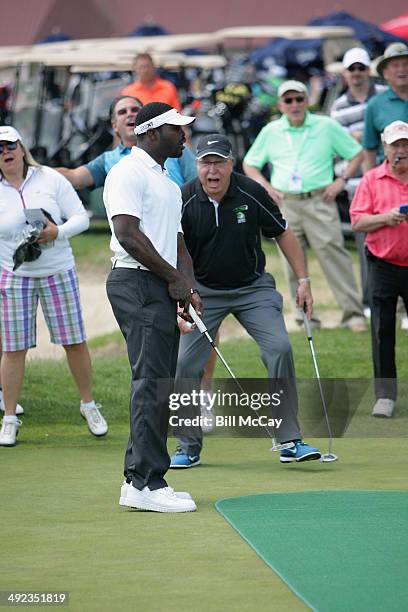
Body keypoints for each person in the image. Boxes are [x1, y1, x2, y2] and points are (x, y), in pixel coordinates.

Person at [170, 133, 321, 468]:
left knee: (279, 348)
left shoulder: (252, 193)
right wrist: (181, 298)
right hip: (202, 293)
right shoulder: (183, 198)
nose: (212, 170)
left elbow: (283, 233)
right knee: (184, 364)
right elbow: (172, 252)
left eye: (218, 162)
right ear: (197, 165)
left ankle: (289, 440)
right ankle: (187, 446)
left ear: (231, 165)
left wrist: (304, 281)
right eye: (205, 162)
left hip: (253, 288)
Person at [104, 102, 201, 512]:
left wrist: (187, 285)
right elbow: (127, 234)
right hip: (136, 282)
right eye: (177, 129)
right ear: (151, 132)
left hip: (156, 284)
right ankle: (146, 483)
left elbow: (175, 241)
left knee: (157, 382)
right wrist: (172, 280)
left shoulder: (166, 179)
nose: (184, 136)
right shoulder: (127, 172)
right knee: (152, 383)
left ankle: (138, 480)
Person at [0, 126, 108, 447]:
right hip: (14, 276)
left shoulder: (49, 178)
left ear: (21, 148)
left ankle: (89, 405)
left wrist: (56, 233)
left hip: (58, 271)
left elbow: (81, 217)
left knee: (74, 341)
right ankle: (9, 417)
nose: (5, 153)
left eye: (9, 146)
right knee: (13, 348)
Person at [243, 80, 366, 332]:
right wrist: (266, 186)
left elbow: (356, 153)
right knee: (291, 264)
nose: (295, 105)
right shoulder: (271, 130)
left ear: (307, 100)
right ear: (280, 105)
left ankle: (353, 315)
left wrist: (340, 181)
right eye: (288, 101)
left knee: (335, 257)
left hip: (320, 200)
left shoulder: (326, 125)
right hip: (286, 203)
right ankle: (305, 317)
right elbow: (250, 163)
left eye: (299, 99)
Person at [350, 120, 408, 418]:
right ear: (385, 148)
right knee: (382, 330)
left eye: (405, 144)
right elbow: (358, 221)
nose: (401, 151)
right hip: (383, 264)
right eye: (396, 145)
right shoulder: (371, 179)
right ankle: (385, 395)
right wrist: (387, 217)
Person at [330, 47, 387, 318]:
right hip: (357, 185)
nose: (356, 73)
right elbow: (341, 147)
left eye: (361, 68)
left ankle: (397, 303)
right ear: (345, 73)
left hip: (389, 182)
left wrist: (359, 138)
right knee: (366, 246)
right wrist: (365, 139)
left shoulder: (384, 98)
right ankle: (369, 299)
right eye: (351, 69)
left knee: (395, 242)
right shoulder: (339, 106)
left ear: (368, 71)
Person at [57, 95, 196, 190]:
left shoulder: (172, 147)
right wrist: (37, 170)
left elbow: (197, 184)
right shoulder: (108, 160)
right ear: (114, 125)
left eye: (135, 110)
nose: (130, 114)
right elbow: (75, 177)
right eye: (122, 112)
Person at [363, 43, 408, 171]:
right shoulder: (375, 104)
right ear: (386, 73)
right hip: (392, 177)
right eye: (395, 65)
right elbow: (369, 149)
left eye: (406, 64)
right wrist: (370, 183)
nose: (402, 69)